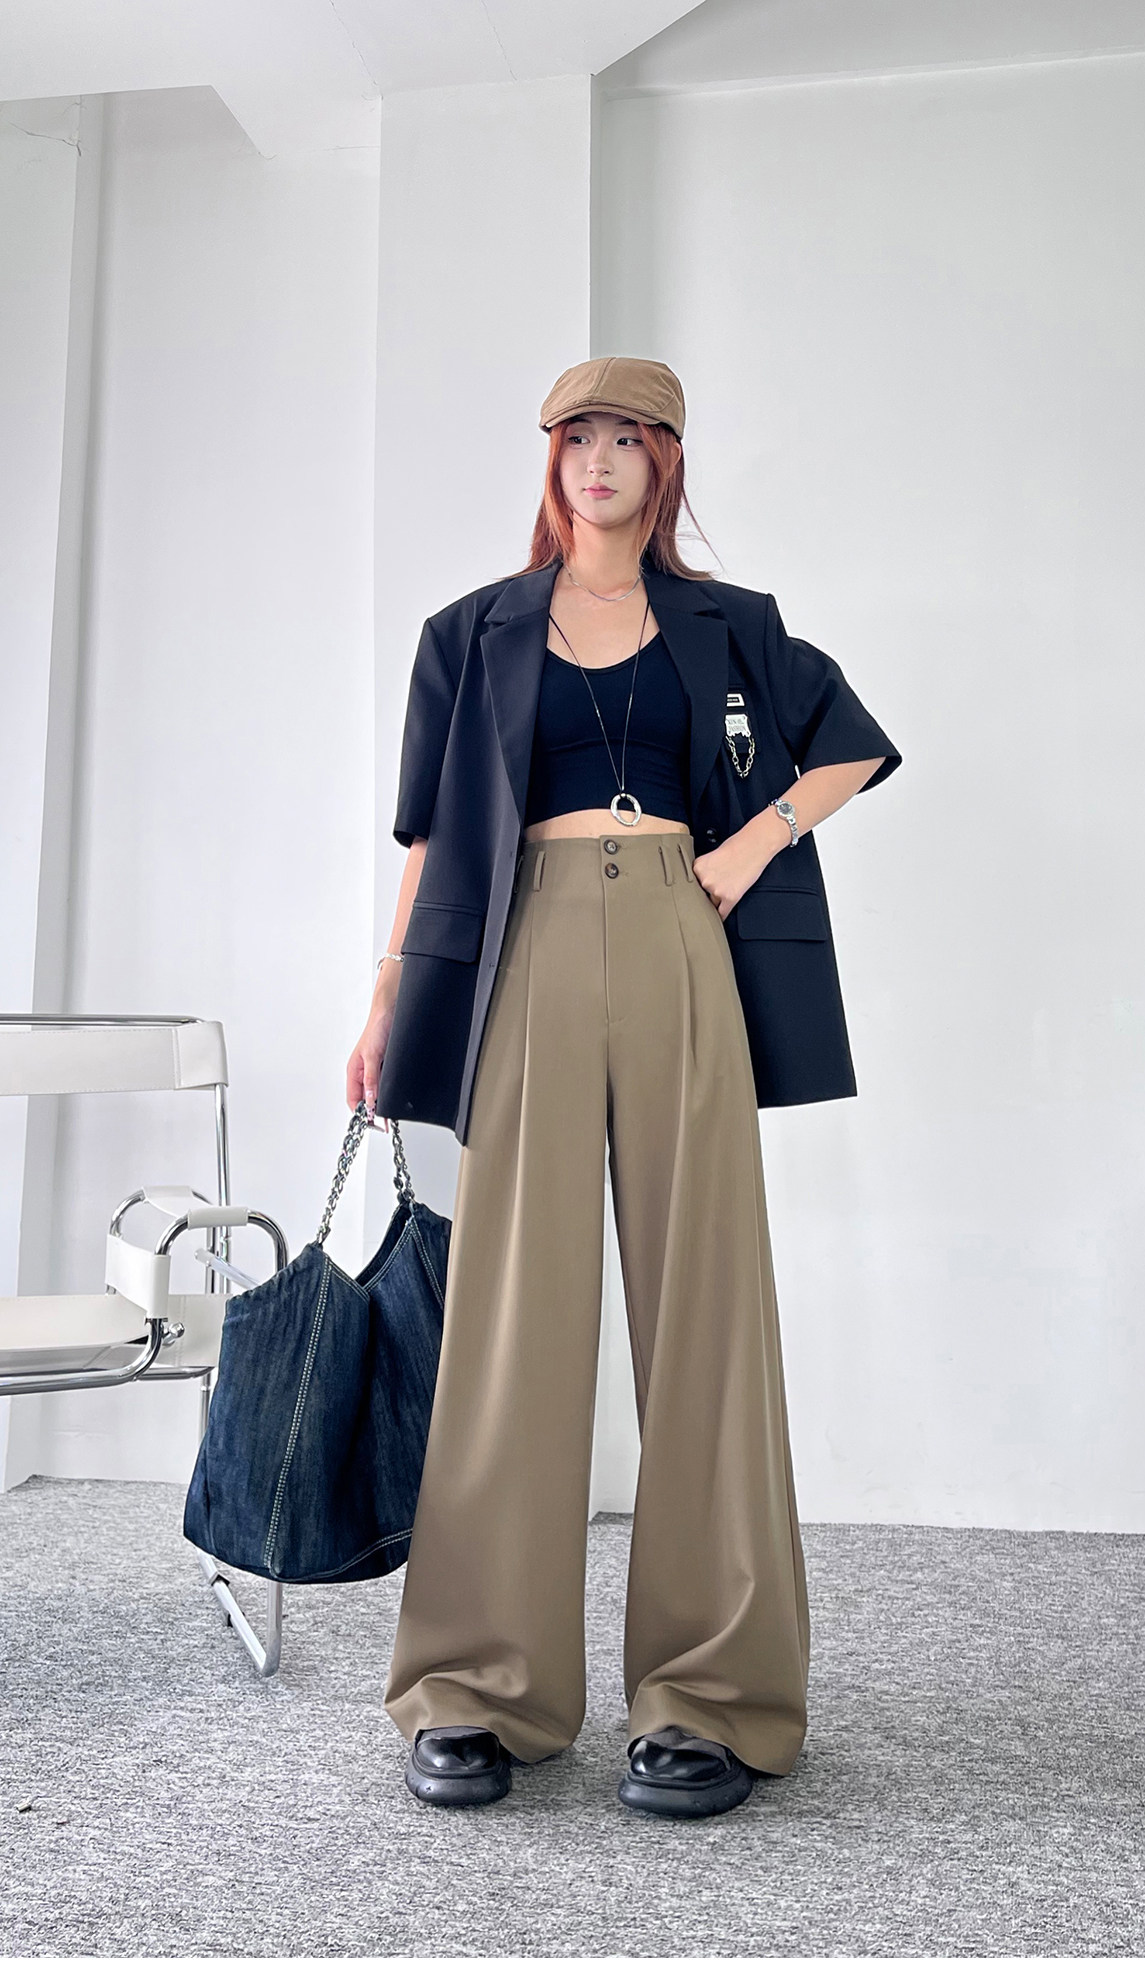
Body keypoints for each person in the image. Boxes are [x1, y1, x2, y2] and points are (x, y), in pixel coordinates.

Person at [348, 357, 902, 1821]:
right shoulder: (471, 632)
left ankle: (711, 1697)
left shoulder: (733, 626)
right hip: (526, 945)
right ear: (552, 461)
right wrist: (388, 991)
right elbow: (431, 835)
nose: (597, 459)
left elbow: (850, 743)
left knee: (707, 1308)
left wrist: (747, 846)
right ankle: (478, 1686)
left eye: (626, 439)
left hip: (677, 938)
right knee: (510, 1318)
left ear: (665, 463)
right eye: (575, 437)